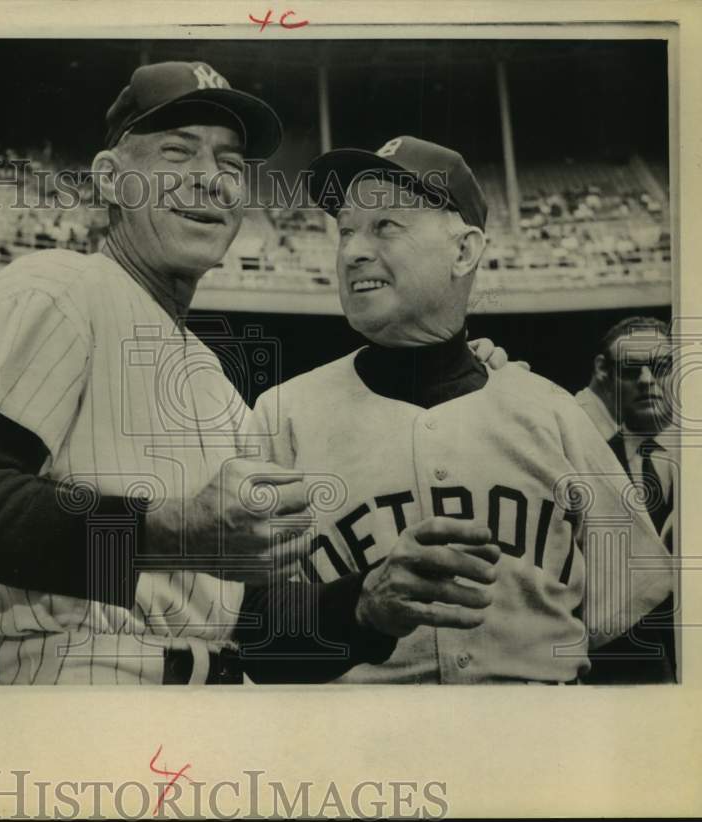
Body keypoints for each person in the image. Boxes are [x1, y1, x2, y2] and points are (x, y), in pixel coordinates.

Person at [0, 64, 512, 685]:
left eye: (231, 165)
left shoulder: (213, 382)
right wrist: (169, 530)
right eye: (177, 152)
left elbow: (257, 632)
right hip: (77, 689)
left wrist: (366, 604)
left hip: (212, 699)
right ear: (111, 179)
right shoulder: (59, 287)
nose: (211, 181)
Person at [244, 136, 673, 683]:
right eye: (346, 229)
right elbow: (248, 633)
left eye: (385, 226)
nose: (352, 251)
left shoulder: (552, 414)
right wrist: (358, 609)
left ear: (465, 251)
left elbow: (632, 632)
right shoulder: (281, 417)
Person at [575, 316, 677, 683]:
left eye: (661, 368)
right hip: (621, 665)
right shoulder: (585, 455)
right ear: (605, 372)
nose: (648, 381)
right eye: (632, 369)